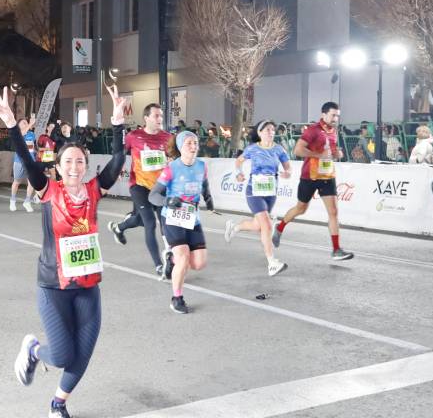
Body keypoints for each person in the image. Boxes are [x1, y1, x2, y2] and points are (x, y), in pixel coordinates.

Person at [4, 84, 126, 418]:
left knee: (82, 354)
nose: (74, 165)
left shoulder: (95, 190)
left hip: (87, 285)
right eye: (68, 161)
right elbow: (27, 160)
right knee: (60, 355)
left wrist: (117, 124)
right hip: (53, 285)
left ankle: (58, 404)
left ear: (86, 166)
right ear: (57, 166)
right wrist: (13, 127)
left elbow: (118, 160)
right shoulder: (48, 190)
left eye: (80, 161)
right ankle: (32, 350)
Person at [271, 102, 354, 260]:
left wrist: (338, 154)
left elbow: (333, 150)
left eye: (337, 115)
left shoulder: (333, 131)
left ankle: (336, 250)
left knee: (334, 212)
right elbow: (298, 150)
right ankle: (280, 227)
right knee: (301, 209)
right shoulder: (313, 130)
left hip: (327, 176)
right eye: (333, 115)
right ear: (323, 115)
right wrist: (318, 155)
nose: (336, 118)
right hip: (309, 176)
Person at [148, 131, 215, 313]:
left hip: (192, 217)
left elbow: (204, 184)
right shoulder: (171, 168)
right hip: (172, 216)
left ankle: (170, 258)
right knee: (183, 258)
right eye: (189, 144)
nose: (193, 147)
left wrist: (208, 198)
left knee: (198, 264)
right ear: (180, 147)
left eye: (195, 143)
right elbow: (153, 195)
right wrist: (167, 201)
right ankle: (176, 298)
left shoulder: (202, 166)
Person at [107, 103, 174, 280]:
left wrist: (171, 162)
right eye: (156, 116)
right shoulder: (134, 136)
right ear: (146, 118)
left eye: (161, 115)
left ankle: (119, 227)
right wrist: (117, 168)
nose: (160, 119)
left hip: (160, 187)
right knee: (150, 223)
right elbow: (118, 152)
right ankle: (159, 265)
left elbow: (175, 158)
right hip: (139, 186)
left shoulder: (168, 137)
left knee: (152, 221)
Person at [224, 121, 292, 276]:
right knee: (267, 226)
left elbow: (288, 166)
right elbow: (238, 161)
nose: (271, 132)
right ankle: (272, 263)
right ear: (260, 132)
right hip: (253, 191)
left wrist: (288, 172)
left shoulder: (279, 149)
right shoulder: (253, 148)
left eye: (273, 130)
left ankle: (235, 227)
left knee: (258, 225)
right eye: (268, 129)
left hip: (270, 191)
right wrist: (238, 173)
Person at [10, 115, 37, 212]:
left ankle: (27, 201)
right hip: (19, 161)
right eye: (23, 122)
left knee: (31, 182)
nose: (26, 123)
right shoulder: (17, 133)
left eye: (26, 122)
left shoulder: (32, 134)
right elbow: (23, 133)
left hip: (30, 161)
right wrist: (30, 123)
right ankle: (12, 200)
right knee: (17, 182)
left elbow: (33, 147)